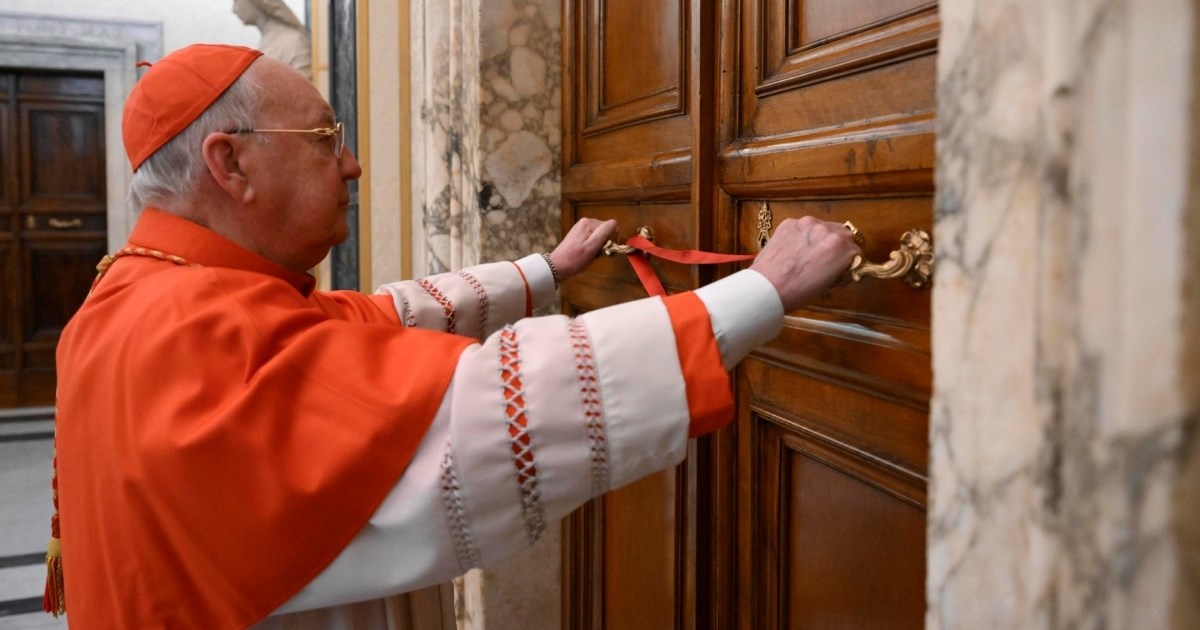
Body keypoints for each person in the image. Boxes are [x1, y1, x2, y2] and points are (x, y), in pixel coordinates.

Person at [49, 44, 861, 628]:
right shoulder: (191, 329)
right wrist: (761, 292)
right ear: (231, 165)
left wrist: (545, 269)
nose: (354, 165)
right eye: (327, 140)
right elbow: (464, 413)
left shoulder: (148, 290)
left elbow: (370, 323)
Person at [233, 0, 311, 80]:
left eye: (236, 1)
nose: (234, 10)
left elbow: (305, 89)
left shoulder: (293, 40)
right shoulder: (266, 42)